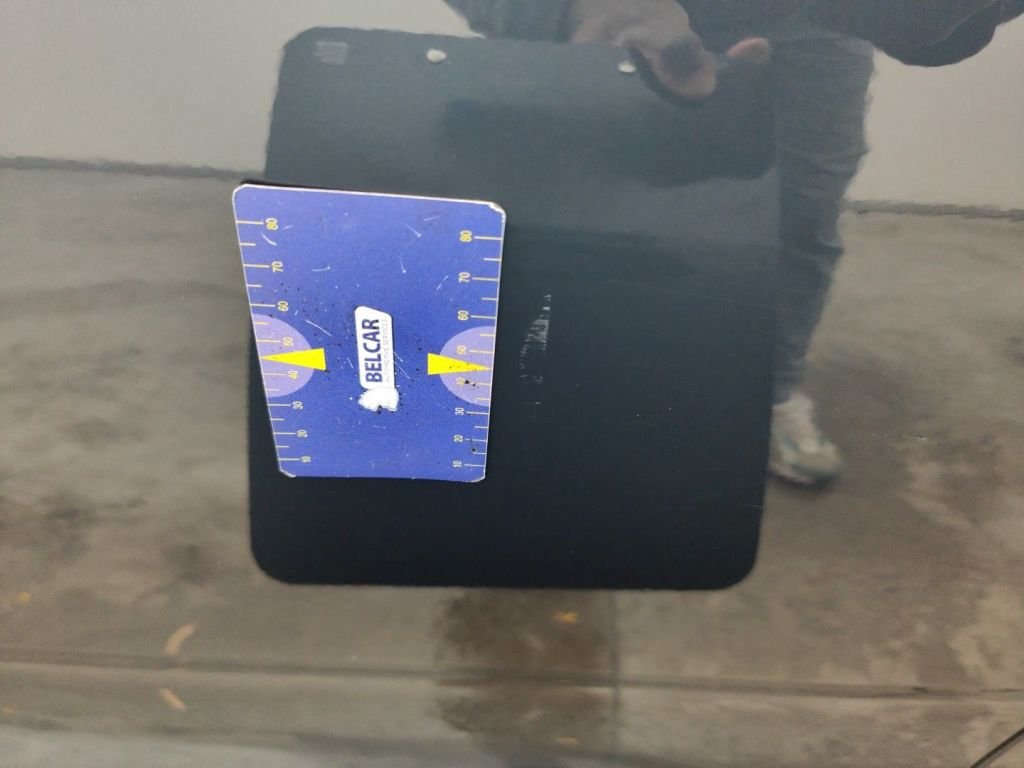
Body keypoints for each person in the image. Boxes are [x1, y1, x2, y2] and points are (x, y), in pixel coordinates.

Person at [445, 0, 1021, 486]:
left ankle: (769, 396)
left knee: (801, 214)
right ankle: (563, 387)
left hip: (810, 29)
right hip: (615, 13)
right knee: (574, 216)